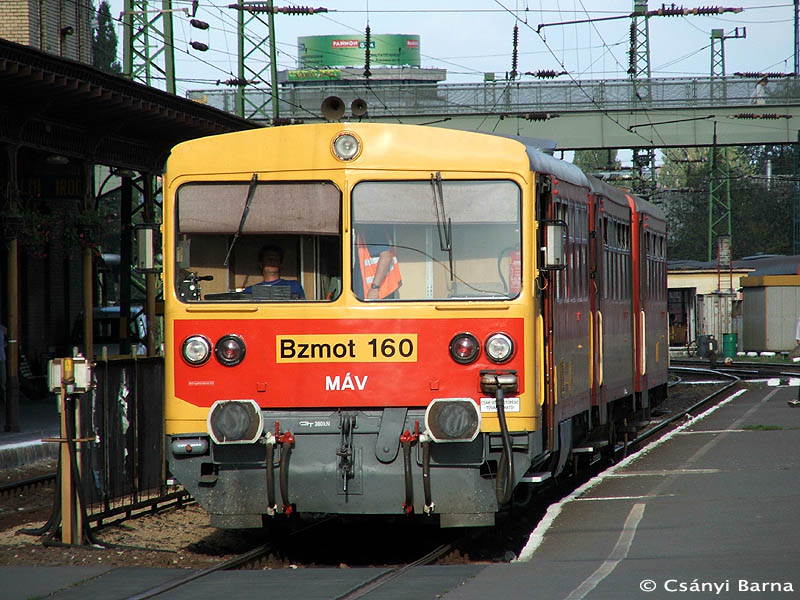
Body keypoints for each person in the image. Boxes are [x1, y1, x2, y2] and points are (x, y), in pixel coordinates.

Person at [354, 226, 401, 300]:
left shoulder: (372, 230)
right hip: (367, 292)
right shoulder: (360, 234)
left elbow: (386, 257)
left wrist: (374, 288)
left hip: (378, 293)